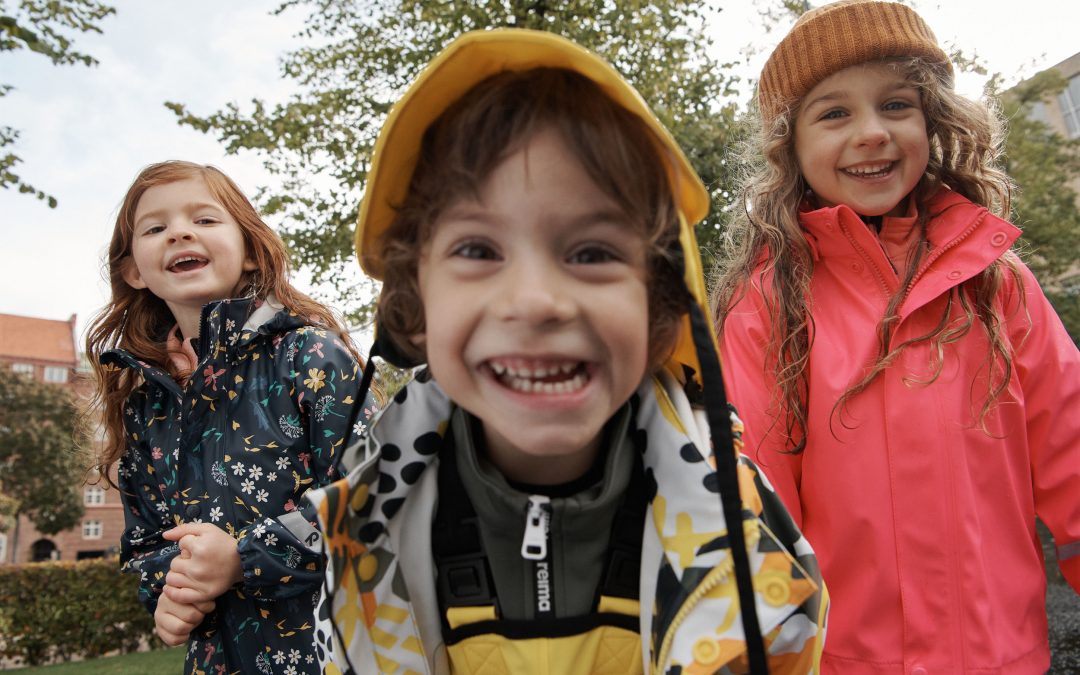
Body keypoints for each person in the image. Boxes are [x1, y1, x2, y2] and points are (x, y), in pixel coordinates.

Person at [301, 30, 827, 675]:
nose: (536, 301)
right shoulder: (366, 520)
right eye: (477, 250)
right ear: (415, 299)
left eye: (592, 253)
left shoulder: (744, 527)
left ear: (661, 303)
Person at [710, 1, 1080, 673]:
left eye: (896, 105)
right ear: (790, 146)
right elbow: (755, 516)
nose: (872, 132)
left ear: (932, 120)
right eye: (834, 113)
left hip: (1002, 658)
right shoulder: (766, 304)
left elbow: (1073, 458)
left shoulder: (999, 284)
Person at [84, 160, 378, 675]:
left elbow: (373, 494)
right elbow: (147, 542)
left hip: (334, 653)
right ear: (134, 271)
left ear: (249, 251)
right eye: (154, 228)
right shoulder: (145, 406)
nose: (179, 232)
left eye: (204, 219)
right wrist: (170, 592)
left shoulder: (308, 357)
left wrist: (244, 557)